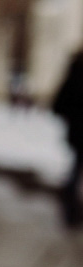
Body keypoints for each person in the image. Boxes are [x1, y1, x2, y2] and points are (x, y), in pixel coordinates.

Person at [53, 51, 83, 229]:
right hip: (78, 133)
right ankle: (72, 209)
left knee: (75, 170)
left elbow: (58, 105)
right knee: (75, 171)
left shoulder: (73, 76)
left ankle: (71, 210)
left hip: (77, 133)